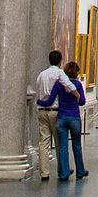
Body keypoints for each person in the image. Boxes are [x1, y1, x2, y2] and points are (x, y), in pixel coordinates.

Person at [50, 60, 90, 181]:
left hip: (61, 117)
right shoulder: (77, 85)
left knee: (63, 146)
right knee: (77, 145)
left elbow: (52, 98)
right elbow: (82, 101)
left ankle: (64, 173)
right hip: (74, 118)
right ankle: (80, 171)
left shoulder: (59, 84)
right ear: (76, 73)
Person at [32, 48, 66, 182]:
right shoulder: (60, 73)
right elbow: (68, 87)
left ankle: (44, 173)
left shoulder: (41, 74)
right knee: (59, 142)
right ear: (60, 61)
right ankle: (61, 170)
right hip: (55, 111)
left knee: (43, 143)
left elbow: (38, 90)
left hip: (42, 111)